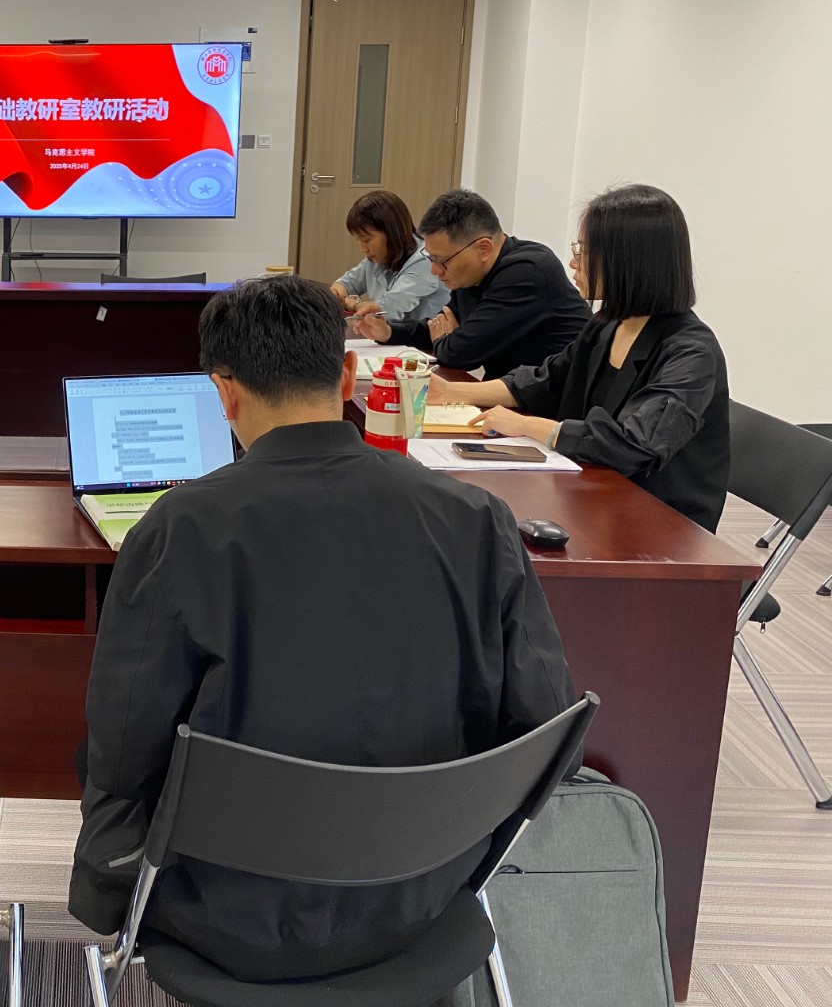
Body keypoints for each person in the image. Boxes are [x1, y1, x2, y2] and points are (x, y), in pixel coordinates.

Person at [69, 275, 574, 983]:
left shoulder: (178, 529)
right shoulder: (477, 519)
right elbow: (548, 725)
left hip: (226, 915)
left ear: (224, 392)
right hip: (423, 901)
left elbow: (123, 754)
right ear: (345, 377)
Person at [431, 185, 729, 531]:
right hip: (591, 494)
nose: (573, 262)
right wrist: (451, 392)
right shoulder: (606, 326)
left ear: (628, 260)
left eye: (584, 251)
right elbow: (547, 381)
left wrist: (528, 425)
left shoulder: (691, 352)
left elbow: (634, 443)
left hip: (658, 524)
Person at [353, 189, 590, 378]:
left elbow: (460, 352)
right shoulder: (471, 274)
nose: (435, 270)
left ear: (483, 248)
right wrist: (389, 331)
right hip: (508, 395)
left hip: (553, 409)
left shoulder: (528, 271)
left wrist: (446, 339)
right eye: (431, 259)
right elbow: (438, 327)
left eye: (441, 261)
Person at [328, 190, 449, 325]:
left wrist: (353, 304)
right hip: (391, 335)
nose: (363, 248)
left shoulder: (426, 261)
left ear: (391, 232)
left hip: (429, 337)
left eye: (366, 240)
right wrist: (336, 294)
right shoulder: (378, 258)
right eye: (359, 240)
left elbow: (388, 309)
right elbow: (347, 282)